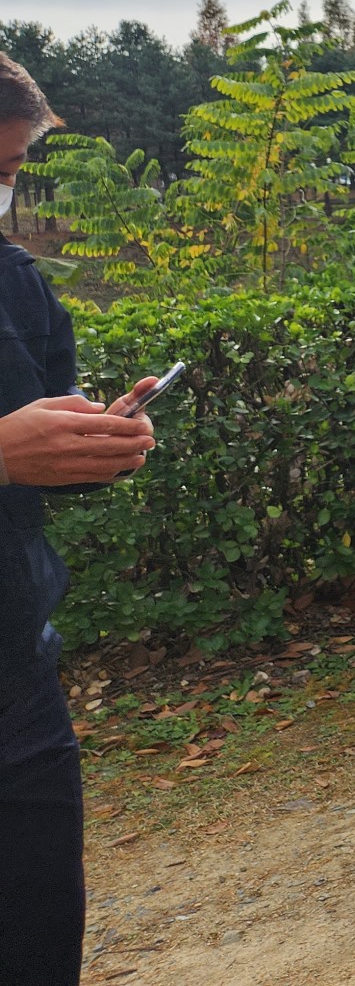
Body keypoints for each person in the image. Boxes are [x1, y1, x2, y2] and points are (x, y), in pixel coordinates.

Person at [0, 53, 158, 986]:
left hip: (19, 675)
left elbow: (39, 445)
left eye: (9, 172)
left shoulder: (18, 284)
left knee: (39, 934)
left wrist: (96, 444)